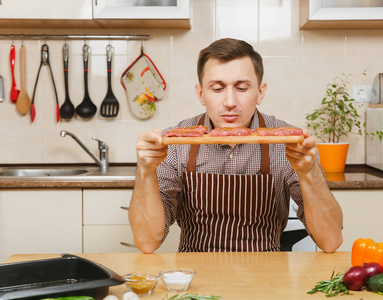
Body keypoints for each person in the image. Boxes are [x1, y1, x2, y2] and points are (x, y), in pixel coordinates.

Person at [129, 38, 343, 253]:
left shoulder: (289, 143)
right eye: (217, 88)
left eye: (241, 88)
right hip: (195, 273)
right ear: (201, 94)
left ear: (260, 93)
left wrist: (309, 172)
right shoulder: (174, 143)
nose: (230, 101)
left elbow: (330, 240)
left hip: (269, 274)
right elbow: (147, 242)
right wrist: (146, 170)